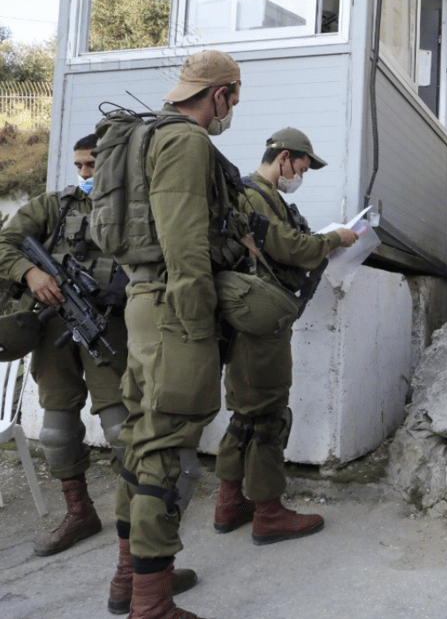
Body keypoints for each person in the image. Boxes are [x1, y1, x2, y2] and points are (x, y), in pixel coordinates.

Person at [110, 49, 245, 619]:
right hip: (175, 307)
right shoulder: (186, 140)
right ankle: (151, 603)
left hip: (142, 300)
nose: (230, 111)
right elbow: (185, 242)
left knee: (141, 440)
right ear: (217, 94)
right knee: (170, 452)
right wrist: (197, 324)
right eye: (232, 100)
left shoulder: (140, 136)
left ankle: (130, 578)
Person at [213, 128, 357, 544]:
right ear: (285, 157)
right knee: (268, 414)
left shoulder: (253, 194)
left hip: (245, 313)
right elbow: (288, 247)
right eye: (303, 166)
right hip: (259, 319)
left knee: (244, 410)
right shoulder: (256, 194)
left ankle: (228, 502)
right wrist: (335, 239)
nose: (302, 175)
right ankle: (269, 512)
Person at [0, 134, 129, 558]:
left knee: (121, 428)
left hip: (109, 328)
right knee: (56, 430)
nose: (84, 174)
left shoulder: (136, 208)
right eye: (79, 166)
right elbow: (5, 242)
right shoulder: (55, 205)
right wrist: (29, 275)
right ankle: (79, 512)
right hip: (52, 324)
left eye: (92, 165)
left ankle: (135, 519)